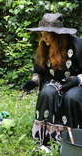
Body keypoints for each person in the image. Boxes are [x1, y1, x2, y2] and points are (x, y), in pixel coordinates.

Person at [22, 13, 82, 146]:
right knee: (47, 93)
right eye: (41, 34)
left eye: (46, 34)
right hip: (52, 81)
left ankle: (73, 139)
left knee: (71, 97)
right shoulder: (43, 47)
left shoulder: (78, 45)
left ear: (57, 34)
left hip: (77, 83)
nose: (43, 38)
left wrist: (77, 80)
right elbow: (39, 71)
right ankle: (45, 138)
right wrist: (34, 81)